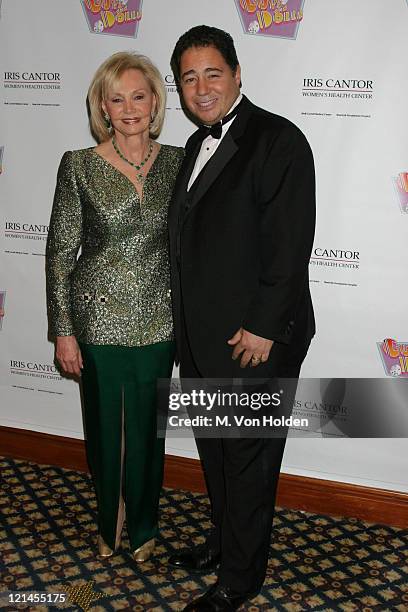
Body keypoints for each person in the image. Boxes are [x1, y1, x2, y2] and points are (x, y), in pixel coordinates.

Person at [168, 26, 316, 610]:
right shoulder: (191, 146)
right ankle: (225, 545)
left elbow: (288, 245)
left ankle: (240, 579)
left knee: (249, 460)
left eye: (213, 73)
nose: (201, 88)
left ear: (236, 74)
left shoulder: (278, 140)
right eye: (188, 77)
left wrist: (262, 326)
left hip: (254, 338)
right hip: (203, 337)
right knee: (216, 452)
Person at [46, 51, 183, 561]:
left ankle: (145, 524)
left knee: (149, 430)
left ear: (154, 102)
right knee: (105, 429)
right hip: (96, 317)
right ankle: (110, 520)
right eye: (117, 98)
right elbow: (60, 253)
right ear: (102, 106)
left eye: (138, 96)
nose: (129, 108)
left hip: (159, 316)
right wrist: (63, 329)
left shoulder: (179, 162)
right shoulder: (78, 165)